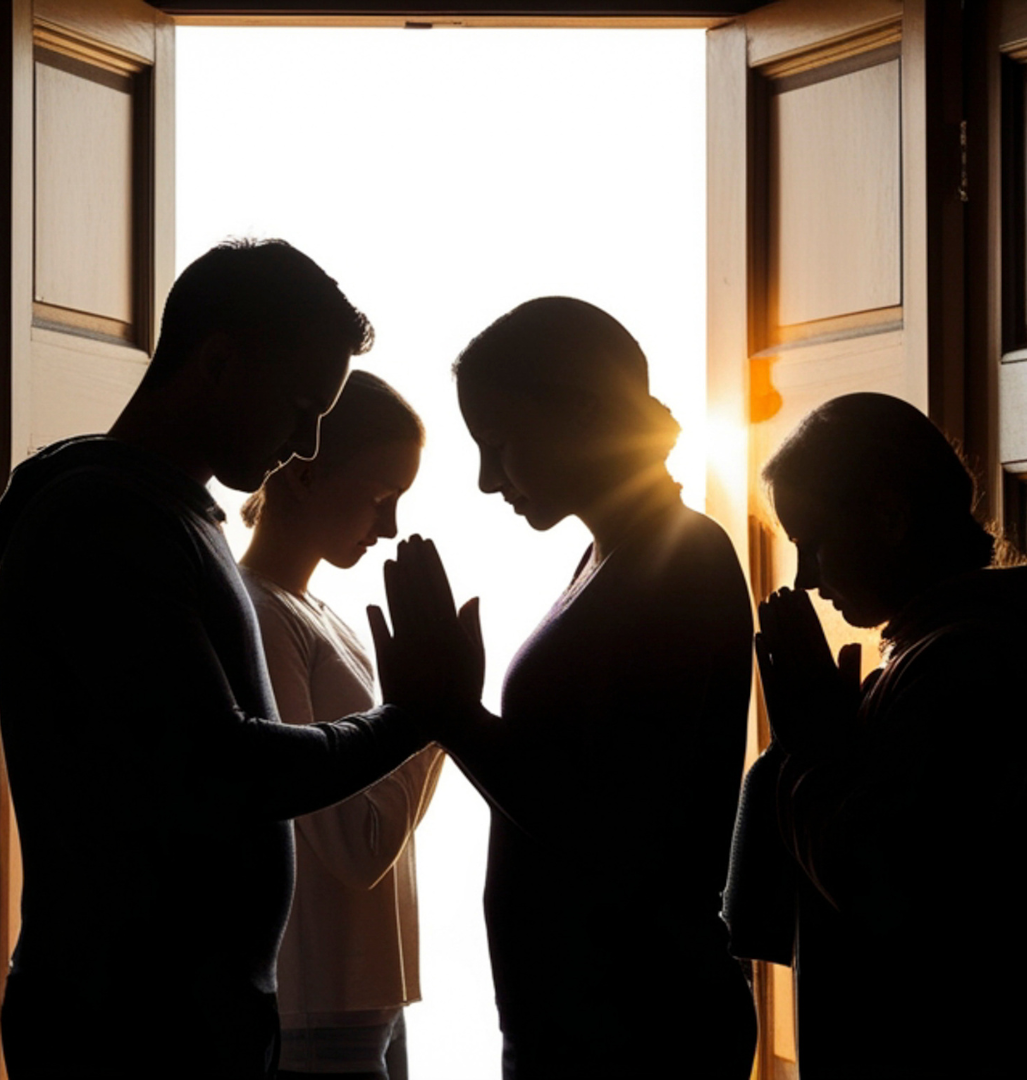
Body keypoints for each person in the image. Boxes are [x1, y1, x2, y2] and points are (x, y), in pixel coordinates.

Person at [0, 240, 438, 1080]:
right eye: (302, 405)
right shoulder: (103, 522)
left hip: (186, 1012)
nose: (306, 446)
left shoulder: (169, 519)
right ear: (221, 360)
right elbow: (222, 767)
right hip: (126, 1023)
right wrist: (413, 718)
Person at [370, 298, 757, 1078]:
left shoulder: (680, 560)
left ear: (581, 410)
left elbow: (613, 831)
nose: (486, 479)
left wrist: (453, 714)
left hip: (638, 1026)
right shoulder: (614, 556)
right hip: (583, 1022)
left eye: (500, 442)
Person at [722, 392, 1027, 1078]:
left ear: (889, 516)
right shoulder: (943, 647)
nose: (803, 576)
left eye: (814, 542)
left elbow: (883, 891)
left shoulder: (961, 663)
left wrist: (810, 746)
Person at [237, 371, 444, 1079]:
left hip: (363, 998)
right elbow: (358, 848)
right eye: (381, 497)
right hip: (319, 1006)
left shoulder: (317, 616)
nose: (388, 528)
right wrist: (434, 711)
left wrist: (430, 712)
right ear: (302, 476)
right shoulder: (263, 618)